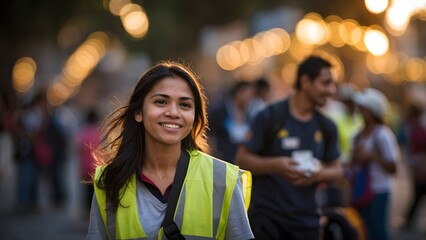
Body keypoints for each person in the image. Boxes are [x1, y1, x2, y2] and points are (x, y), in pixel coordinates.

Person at [86, 61, 254, 239]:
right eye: (161, 102)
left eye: (184, 105)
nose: (173, 112)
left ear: (195, 118)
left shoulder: (224, 179)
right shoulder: (110, 181)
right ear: (138, 113)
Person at [235, 55, 343, 240]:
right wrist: (277, 164)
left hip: (307, 222)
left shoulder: (327, 126)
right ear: (305, 81)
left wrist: (319, 174)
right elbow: (242, 159)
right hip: (267, 220)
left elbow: (337, 170)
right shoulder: (270, 116)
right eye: (325, 83)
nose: (331, 90)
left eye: (333, 84)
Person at [349, 88, 398, 240]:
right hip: (360, 188)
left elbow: (393, 167)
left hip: (378, 191)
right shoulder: (358, 134)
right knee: (363, 231)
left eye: (364, 109)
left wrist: (371, 156)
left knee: (377, 231)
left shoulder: (383, 135)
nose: (360, 111)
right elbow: (352, 162)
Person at [207, 80, 255, 163]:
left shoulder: (248, 112)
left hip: (237, 157)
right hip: (221, 157)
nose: (250, 99)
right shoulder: (220, 110)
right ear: (239, 93)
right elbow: (210, 133)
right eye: (248, 94)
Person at [402, 101, 426, 231]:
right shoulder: (413, 126)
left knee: (417, 194)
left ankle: (408, 222)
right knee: (417, 195)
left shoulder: (419, 128)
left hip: (421, 168)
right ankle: (409, 221)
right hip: (418, 166)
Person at [76, 107, 101, 212]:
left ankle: (86, 208)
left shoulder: (83, 130)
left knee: (86, 188)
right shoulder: (99, 131)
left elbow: (77, 148)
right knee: (95, 189)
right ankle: (94, 209)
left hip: (85, 165)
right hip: (96, 165)